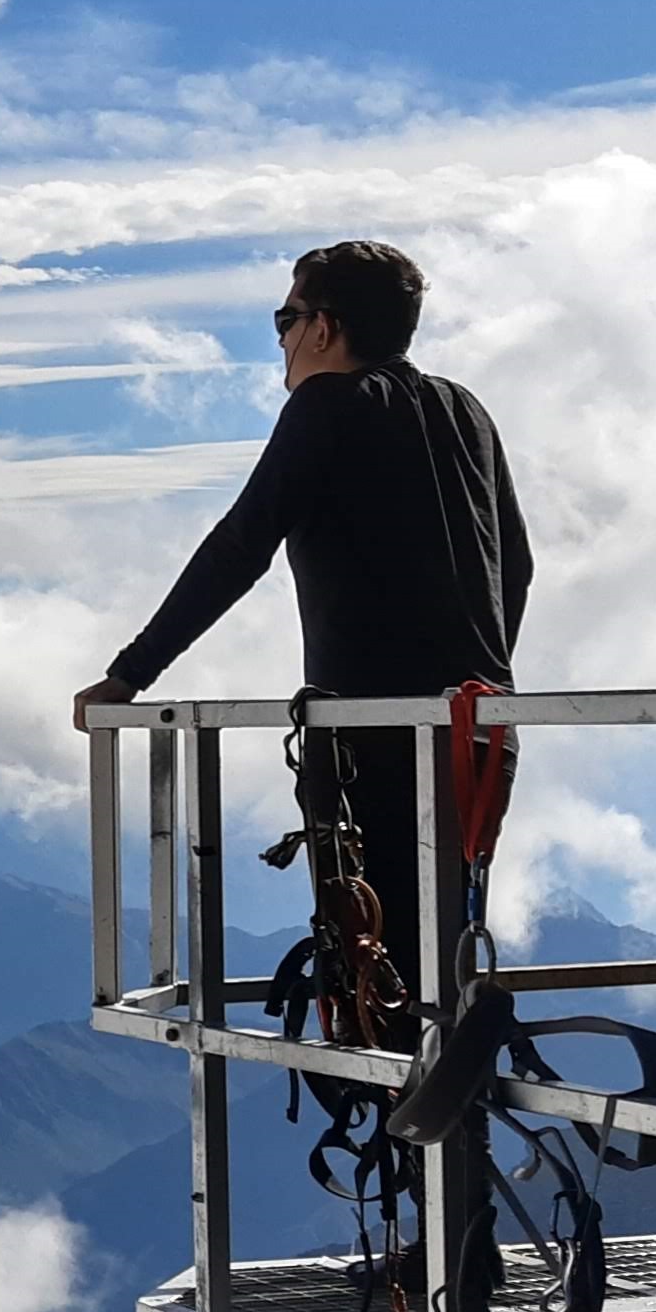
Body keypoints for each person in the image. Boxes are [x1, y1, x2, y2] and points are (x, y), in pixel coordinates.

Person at [71, 238, 533, 996]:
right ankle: (454, 1105)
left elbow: (239, 545)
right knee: (444, 946)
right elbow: (515, 564)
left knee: (374, 962)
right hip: (478, 730)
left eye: (285, 320)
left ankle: (405, 1107)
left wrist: (129, 673)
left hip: (370, 737)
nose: (281, 342)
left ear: (323, 328)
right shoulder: (466, 409)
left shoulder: (327, 405)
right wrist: (482, 679)